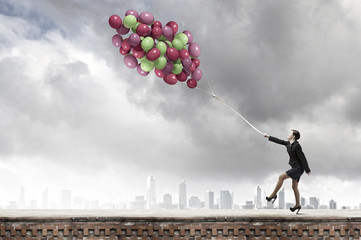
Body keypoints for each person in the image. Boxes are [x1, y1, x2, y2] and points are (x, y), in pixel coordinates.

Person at [262, 130, 311, 214]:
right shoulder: (288, 143)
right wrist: (268, 136)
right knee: (294, 187)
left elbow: (302, 157)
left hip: (299, 168)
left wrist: (307, 170)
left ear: (294, 136)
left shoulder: (297, 146)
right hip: (295, 167)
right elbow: (279, 141)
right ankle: (298, 205)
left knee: (281, 177)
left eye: (290, 133)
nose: (288, 134)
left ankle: (273, 195)